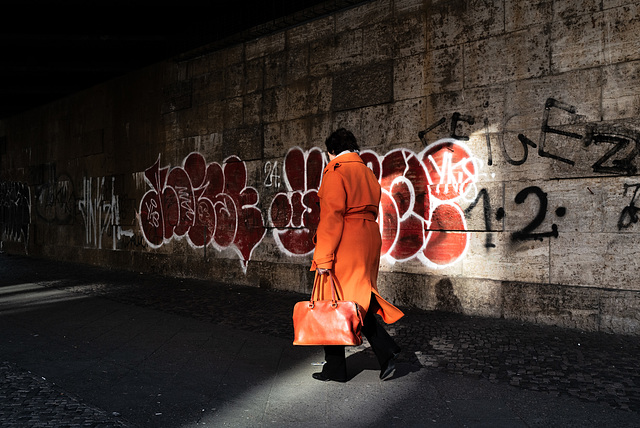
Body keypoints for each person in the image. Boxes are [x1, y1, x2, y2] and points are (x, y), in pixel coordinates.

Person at [310, 128, 404, 382]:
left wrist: (323, 257)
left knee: (333, 301)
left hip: (346, 242)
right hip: (368, 238)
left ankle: (339, 368)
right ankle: (378, 354)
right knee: (356, 300)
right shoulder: (367, 172)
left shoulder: (336, 171)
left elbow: (331, 218)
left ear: (332, 151)